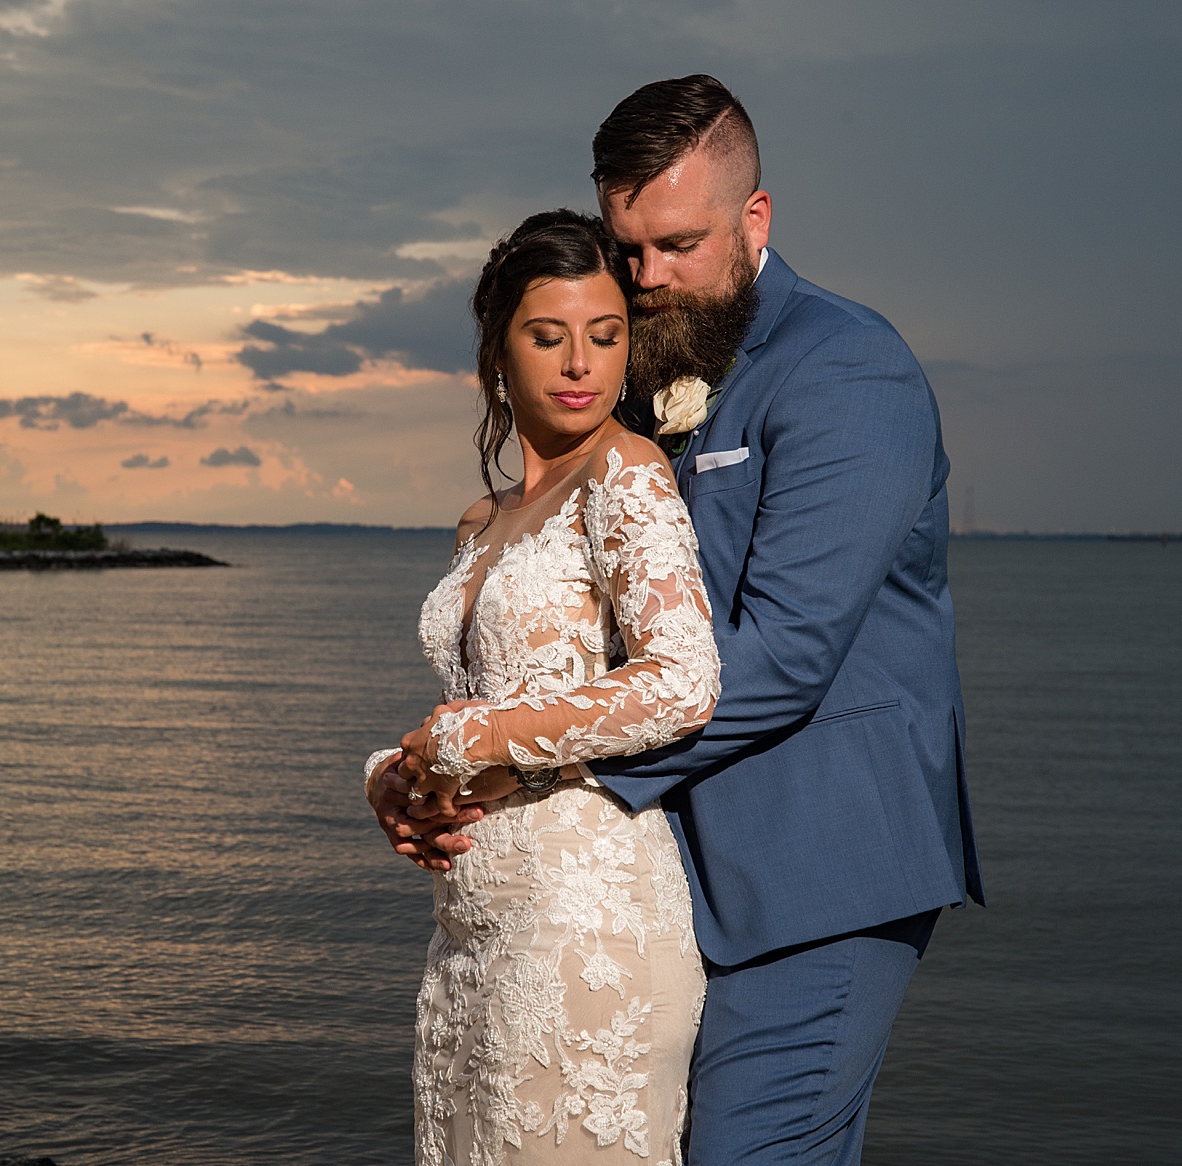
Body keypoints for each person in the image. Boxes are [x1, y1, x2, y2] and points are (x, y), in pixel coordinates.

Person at [372, 76, 984, 1165]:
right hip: (669, 879)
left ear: (756, 218)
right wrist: (428, 779)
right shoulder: (648, 378)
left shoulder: (849, 369)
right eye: (630, 246)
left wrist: (531, 767)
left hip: (819, 868)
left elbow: (788, 655)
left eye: (678, 244)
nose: (649, 277)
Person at [362, 209, 723, 1164]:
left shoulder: (628, 472)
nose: (580, 365)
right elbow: (467, 706)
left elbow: (682, 683)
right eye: (548, 336)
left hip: (584, 923)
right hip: (472, 934)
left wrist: (477, 740)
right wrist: (396, 784)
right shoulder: (483, 519)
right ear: (498, 353)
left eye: (606, 338)